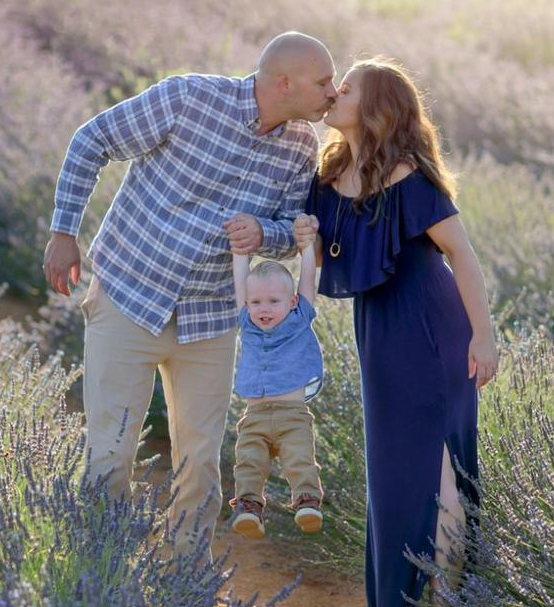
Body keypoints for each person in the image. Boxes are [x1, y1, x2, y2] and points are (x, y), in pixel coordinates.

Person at [43, 31, 338, 560]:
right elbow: (92, 140)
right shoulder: (189, 98)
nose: (332, 92)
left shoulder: (301, 146)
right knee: (111, 451)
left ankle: (188, 586)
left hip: (211, 317)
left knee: (201, 462)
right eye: (323, 82)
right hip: (130, 297)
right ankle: (100, 577)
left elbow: (290, 230)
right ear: (285, 82)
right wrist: (64, 232)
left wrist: (262, 234)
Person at [306, 57, 498, 607]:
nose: (335, 93)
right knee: (388, 473)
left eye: (348, 87)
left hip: (432, 331)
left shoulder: (411, 177)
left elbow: (462, 258)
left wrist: (485, 337)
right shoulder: (331, 171)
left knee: (438, 476)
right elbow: (305, 243)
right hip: (379, 334)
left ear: (378, 105)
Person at [227, 228, 325, 539]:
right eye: (256, 301)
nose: (263, 309)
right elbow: (240, 282)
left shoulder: (299, 318)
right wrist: (239, 254)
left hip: (292, 415)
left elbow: (308, 281)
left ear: (292, 300)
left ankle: (307, 502)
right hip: (253, 417)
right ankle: (249, 507)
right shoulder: (247, 322)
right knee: (248, 462)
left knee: (299, 458)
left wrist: (307, 248)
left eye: (273, 301)